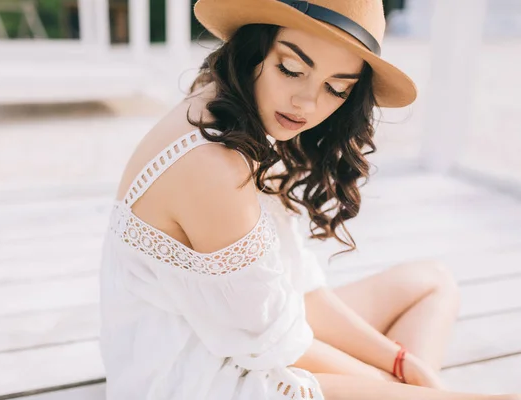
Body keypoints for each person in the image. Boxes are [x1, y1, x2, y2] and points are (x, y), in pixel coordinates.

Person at [98, 0, 519, 399]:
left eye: (337, 89)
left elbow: (299, 292)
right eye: (292, 68)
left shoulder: (238, 113)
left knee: (432, 283)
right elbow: (274, 346)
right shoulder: (213, 164)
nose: (307, 103)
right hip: (197, 380)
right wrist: (400, 388)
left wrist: (400, 360)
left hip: (247, 336)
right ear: (256, 45)